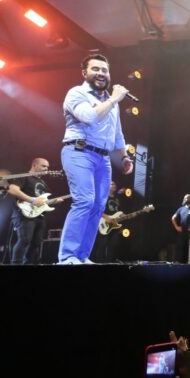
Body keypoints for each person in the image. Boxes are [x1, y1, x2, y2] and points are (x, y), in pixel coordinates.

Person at [58, 53, 134, 264]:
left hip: (103, 158)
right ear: (84, 73)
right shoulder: (76, 93)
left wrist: (124, 156)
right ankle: (67, 256)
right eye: (96, 69)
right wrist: (113, 99)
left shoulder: (111, 102)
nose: (101, 73)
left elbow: (117, 132)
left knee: (98, 207)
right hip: (79, 152)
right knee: (84, 201)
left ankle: (82, 256)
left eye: (104, 70)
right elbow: (90, 117)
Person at [7, 158, 64, 264]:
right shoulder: (24, 176)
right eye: (43, 166)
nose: (46, 169)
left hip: (39, 215)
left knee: (36, 243)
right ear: (34, 165)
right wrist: (32, 200)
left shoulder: (43, 183)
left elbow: (43, 202)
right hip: (24, 214)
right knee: (25, 240)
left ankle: (28, 264)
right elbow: (12, 189)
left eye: (47, 167)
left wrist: (54, 202)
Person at [90, 180, 122, 262]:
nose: (113, 185)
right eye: (111, 184)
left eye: (114, 184)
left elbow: (118, 212)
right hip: (103, 224)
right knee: (102, 246)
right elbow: (95, 209)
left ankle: (109, 263)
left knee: (113, 246)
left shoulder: (117, 199)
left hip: (114, 226)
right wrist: (106, 216)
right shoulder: (102, 197)